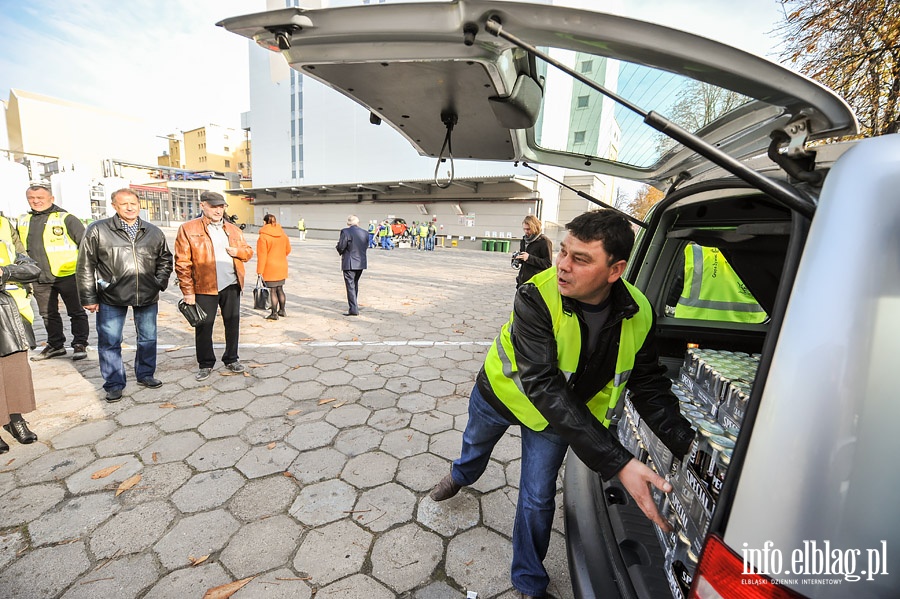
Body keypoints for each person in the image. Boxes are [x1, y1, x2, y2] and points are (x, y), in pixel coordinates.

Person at [429, 210, 694, 599]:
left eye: (580, 259)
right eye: (564, 252)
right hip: (502, 395)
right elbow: (542, 384)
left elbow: (649, 385)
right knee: (475, 447)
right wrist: (619, 462)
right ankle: (461, 475)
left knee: (537, 499)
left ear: (615, 270)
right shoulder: (535, 295)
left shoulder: (638, 311)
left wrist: (689, 446)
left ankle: (528, 582)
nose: (563, 267)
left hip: (557, 416)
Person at [76, 189, 174, 403]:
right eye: (124, 204)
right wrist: (89, 297)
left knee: (148, 337)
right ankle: (113, 383)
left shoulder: (153, 231)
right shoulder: (97, 230)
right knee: (110, 341)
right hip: (111, 295)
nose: (129, 208)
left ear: (139, 205)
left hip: (147, 294)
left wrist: (159, 282)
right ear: (114, 206)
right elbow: (85, 266)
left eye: (133, 203)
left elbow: (165, 259)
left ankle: (146, 374)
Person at [174, 191, 253, 382]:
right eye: (214, 206)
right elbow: (182, 263)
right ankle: (205, 363)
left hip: (231, 284)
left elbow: (249, 252)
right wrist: (188, 292)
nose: (218, 210)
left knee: (232, 323)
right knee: (204, 326)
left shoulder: (233, 230)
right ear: (203, 206)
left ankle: (231, 358)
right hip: (204, 286)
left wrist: (238, 251)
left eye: (221, 206)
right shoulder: (188, 228)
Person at [18, 183, 89, 361]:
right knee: (47, 314)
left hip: (67, 274)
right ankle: (56, 345)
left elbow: (86, 245)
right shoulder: (23, 220)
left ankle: (80, 343)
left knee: (76, 312)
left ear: (51, 199)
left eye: (40, 198)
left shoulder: (66, 218)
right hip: (39, 277)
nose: (36, 201)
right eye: (32, 198)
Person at [0, 252, 42, 452]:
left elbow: (32, 268)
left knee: (14, 371)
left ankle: (16, 419)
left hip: (9, 311)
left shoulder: (7, 229)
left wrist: (5, 271)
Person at [670, 243, 767, 323]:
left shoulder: (692, 253)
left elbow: (670, 298)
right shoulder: (761, 258)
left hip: (690, 332)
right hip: (748, 335)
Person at [0, 215, 36, 349]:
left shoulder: (3, 223)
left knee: (16, 368)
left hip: (13, 310)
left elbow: (27, 264)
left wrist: (7, 272)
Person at [257, 213, 292, 320]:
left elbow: (262, 255)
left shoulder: (263, 237)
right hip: (281, 265)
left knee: (272, 291)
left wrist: (260, 271)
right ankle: (282, 310)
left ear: (265, 222)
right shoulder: (283, 235)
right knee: (280, 289)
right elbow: (288, 250)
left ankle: (274, 313)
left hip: (270, 266)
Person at [335, 214, 369, 317]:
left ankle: (353, 309)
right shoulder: (365, 233)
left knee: (350, 285)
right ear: (358, 223)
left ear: (348, 223)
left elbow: (341, 246)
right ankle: (354, 305)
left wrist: (338, 248)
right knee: (355, 284)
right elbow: (366, 245)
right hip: (361, 262)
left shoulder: (346, 231)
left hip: (349, 262)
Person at [514, 215, 554, 288]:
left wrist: (529, 258)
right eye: (524, 229)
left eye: (528, 229)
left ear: (535, 227)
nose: (526, 232)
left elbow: (548, 264)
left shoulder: (544, 242)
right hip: (522, 282)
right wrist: (518, 259)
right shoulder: (524, 240)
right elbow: (524, 260)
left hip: (535, 284)